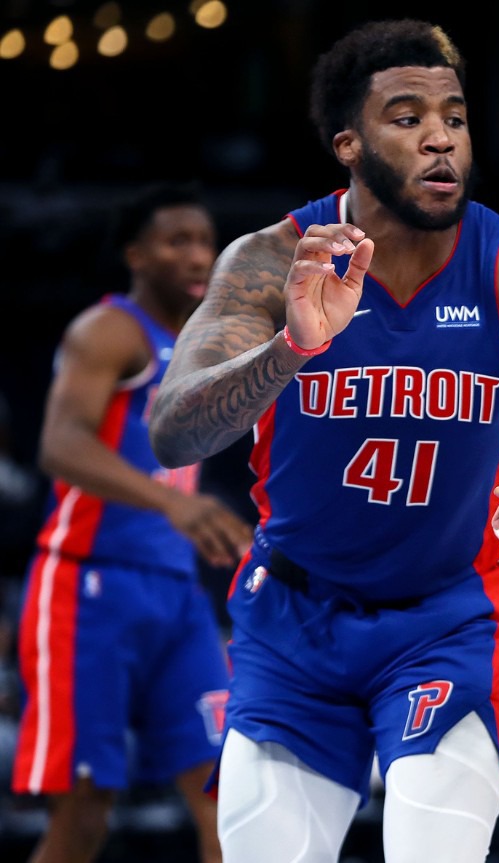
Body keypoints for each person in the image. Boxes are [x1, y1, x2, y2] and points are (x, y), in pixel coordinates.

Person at [146, 19, 499, 863]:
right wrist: (293, 348)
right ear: (348, 143)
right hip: (292, 619)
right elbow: (175, 429)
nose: (441, 138)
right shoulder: (274, 262)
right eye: (408, 117)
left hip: (443, 617)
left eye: (453, 116)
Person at [11, 183, 253, 863]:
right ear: (136, 254)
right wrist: (172, 503)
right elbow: (59, 444)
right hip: (88, 588)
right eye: (177, 240)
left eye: (205, 240)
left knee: (225, 794)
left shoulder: (203, 347)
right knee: (85, 814)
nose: (197, 253)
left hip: (176, 594)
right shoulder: (109, 330)